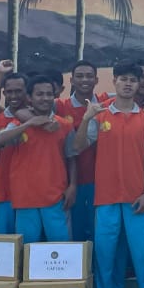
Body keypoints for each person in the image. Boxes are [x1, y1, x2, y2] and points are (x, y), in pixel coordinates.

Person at [74, 62, 144, 288]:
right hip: (106, 197)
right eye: (123, 79)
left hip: (137, 197)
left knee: (143, 252)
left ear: (138, 85)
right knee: (105, 252)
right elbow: (78, 146)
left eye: (132, 80)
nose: (128, 84)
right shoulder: (100, 113)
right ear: (114, 81)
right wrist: (86, 118)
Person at [0, 75, 77, 243]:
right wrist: (29, 124)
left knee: (61, 247)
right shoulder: (18, 124)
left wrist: (72, 185)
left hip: (55, 197)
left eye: (49, 94)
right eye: (40, 94)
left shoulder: (64, 125)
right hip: (25, 198)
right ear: (29, 98)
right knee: (27, 248)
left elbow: (71, 158)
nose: (45, 98)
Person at [55, 60, 100, 241]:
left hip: (100, 182)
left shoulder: (105, 103)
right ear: (72, 80)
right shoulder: (59, 106)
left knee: (99, 232)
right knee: (74, 232)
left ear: (96, 80)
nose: (85, 80)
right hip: (70, 182)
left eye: (89, 76)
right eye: (80, 76)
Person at [0, 66, 26, 234]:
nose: (14, 96)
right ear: (4, 93)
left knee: (30, 242)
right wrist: (0, 73)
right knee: (5, 242)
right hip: (4, 191)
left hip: (31, 193)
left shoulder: (40, 118)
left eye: (18, 91)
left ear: (27, 92)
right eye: (9, 92)